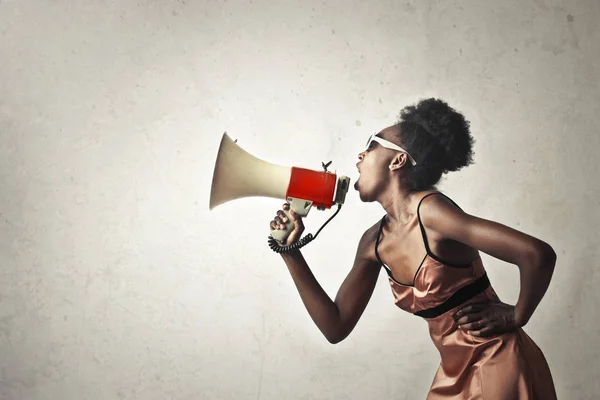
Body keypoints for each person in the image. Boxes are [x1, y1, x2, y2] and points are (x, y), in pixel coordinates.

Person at [269, 98, 558, 399]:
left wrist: (517, 316)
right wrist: (289, 252)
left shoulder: (432, 213)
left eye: (371, 146)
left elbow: (536, 254)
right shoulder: (373, 242)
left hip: (497, 362)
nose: (359, 155)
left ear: (398, 161)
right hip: (452, 374)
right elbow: (336, 325)